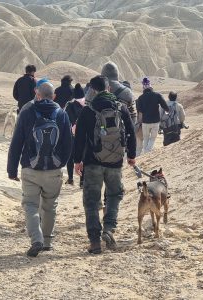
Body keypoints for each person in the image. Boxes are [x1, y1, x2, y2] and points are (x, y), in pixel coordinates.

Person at [7, 79, 72, 257]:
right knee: (50, 207)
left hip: (30, 169)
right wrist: (61, 163)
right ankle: (48, 243)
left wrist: (12, 170)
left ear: (37, 94)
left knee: (30, 205)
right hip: (53, 170)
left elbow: (16, 143)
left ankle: (36, 239)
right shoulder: (62, 114)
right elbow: (68, 144)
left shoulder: (27, 112)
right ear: (54, 96)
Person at [74, 75, 136, 254]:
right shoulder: (121, 107)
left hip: (93, 162)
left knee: (92, 201)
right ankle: (109, 229)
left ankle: (94, 241)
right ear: (109, 88)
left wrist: (77, 161)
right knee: (115, 195)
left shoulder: (88, 110)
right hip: (115, 162)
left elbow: (79, 138)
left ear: (92, 90)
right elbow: (130, 131)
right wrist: (131, 155)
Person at [136, 77, 169, 153]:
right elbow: (165, 106)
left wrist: (139, 123)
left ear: (143, 87)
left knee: (146, 138)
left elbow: (140, 112)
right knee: (153, 139)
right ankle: (147, 152)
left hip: (145, 122)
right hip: (155, 121)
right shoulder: (157, 95)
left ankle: (145, 153)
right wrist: (167, 111)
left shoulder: (140, 98)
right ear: (150, 86)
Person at [65, 83, 85, 187]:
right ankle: (82, 181)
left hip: (72, 135)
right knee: (82, 158)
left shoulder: (69, 105)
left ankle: (70, 179)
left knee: (70, 157)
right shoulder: (87, 106)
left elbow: (65, 120)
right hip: (83, 136)